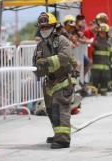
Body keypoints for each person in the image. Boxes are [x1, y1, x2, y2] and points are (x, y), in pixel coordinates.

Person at [32, 12, 77, 149]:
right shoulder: (40, 46)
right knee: (51, 110)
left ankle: (63, 140)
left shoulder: (62, 40)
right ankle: (58, 134)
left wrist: (46, 62)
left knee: (60, 108)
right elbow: (36, 65)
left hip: (63, 80)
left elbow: (64, 57)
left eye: (47, 27)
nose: (44, 30)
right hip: (49, 83)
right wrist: (38, 69)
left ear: (53, 26)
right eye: (42, 27)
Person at [91, 23, 112, 95]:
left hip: (106, 65)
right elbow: (91, 51)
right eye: (101, 32)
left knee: (105, 79)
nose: (102, 34)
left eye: (104, 32)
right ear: (98, 33)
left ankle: (103, 91)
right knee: (95, 79)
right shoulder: (95, 41)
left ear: (107, 33)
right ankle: (94, 91)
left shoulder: (109, 42)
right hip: (96, 66)